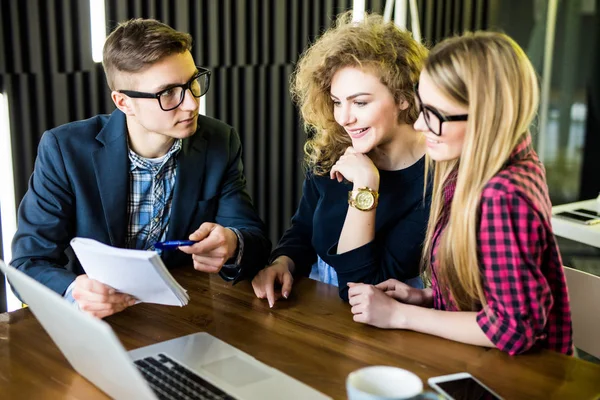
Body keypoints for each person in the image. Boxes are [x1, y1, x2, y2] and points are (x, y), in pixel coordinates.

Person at [11, 19, 271, 318]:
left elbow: (254, 239)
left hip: (181, 314)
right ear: (123, 103)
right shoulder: (64, 149)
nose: (191, 103)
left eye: (192, 82)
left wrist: (233, 243)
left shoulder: (220, 141)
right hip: (94, 319)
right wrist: (74, 290)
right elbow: (27, 264)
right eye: (168, 93)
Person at [348, 31, 574, 355]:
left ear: (485, 117)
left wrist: (400, 315)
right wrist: (428, 298)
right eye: (422, 107)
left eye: (435, 115)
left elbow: (514, 330)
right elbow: (491, 290)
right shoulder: (496, 163)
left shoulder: (502, 196)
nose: (419, 126)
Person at [252, 12, 431, 306]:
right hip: (316, 301)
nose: (345, 118)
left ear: (404, 97)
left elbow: (363, 289)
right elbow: (303, 228)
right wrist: (283, 262)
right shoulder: (334, 147)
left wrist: (366, 187)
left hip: (387, 319)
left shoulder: (434, 178)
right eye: (337, 102)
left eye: (360, 102)